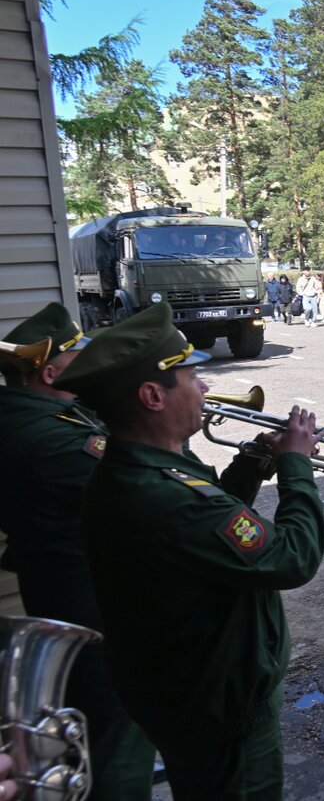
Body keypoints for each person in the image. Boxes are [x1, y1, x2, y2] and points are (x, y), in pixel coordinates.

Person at [53, 302, 324, 801]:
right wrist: (297, 469)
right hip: (218, 708)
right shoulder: (163, 493)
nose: (205, 388)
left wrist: (253, 460)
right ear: (153, 395)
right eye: (191, 378)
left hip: (185, 693)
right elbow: (292, 557)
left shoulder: (143, 469)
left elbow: (211, 528)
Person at [0, 303, 157, 801]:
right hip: (94, 604)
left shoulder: (33, 417)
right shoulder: (54, 438)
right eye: (77, 358)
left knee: (91, 729)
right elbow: (148, 488)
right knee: (117, 736)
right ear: (49, 372)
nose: (90, 365)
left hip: (60, 587)